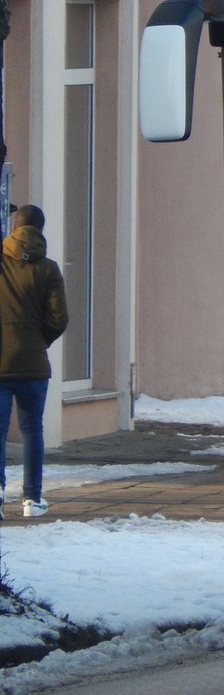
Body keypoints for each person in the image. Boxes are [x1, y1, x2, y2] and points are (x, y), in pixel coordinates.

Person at [0, 204, 69, 519]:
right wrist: (40, 341)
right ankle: (32, 500)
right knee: (32, 431)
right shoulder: (49, 268)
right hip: (33, 364)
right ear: (40, 229)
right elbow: (59, 318)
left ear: (14, 227)